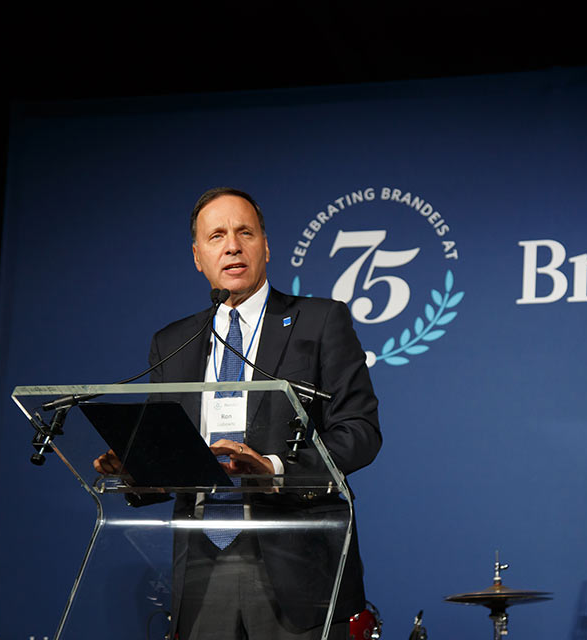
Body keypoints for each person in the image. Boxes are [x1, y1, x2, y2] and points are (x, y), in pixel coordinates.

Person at [94, 187, 381, 639]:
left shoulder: (319, 321)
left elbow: (360, 432)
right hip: (202, 568)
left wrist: (275, 468)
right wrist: (136, 469)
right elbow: (168, 452)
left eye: (244, 232)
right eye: (217, 236)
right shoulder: (172, 343)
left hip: (296, 563)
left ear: (265, 246)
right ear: (197, 256)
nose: (232, 245)